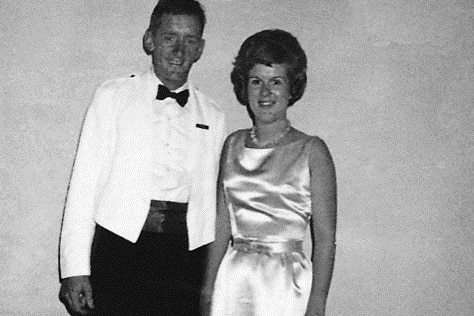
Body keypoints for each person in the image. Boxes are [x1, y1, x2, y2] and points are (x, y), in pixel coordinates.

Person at [58, 1, 227, 315]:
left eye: (190, 40)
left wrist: (214, 276)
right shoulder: (112, 97)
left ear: (200, 49)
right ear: (150, 39)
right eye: (169, 37)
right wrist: (74, 267)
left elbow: (216, 205)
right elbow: (83, 187)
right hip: (120, 250)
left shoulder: (214, 115)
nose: (179, 50)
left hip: (186, 259)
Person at [201, 29, 337, 316]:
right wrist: (208, 286)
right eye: (256, 81)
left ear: (291, 88)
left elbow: (324, 239)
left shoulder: (312, 151)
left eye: (276, 81)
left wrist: (317, 303)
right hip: (234, 281)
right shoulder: (232, 144)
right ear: (244, 87)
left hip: (286, 285)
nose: (265, 92)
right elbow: (222, 224)